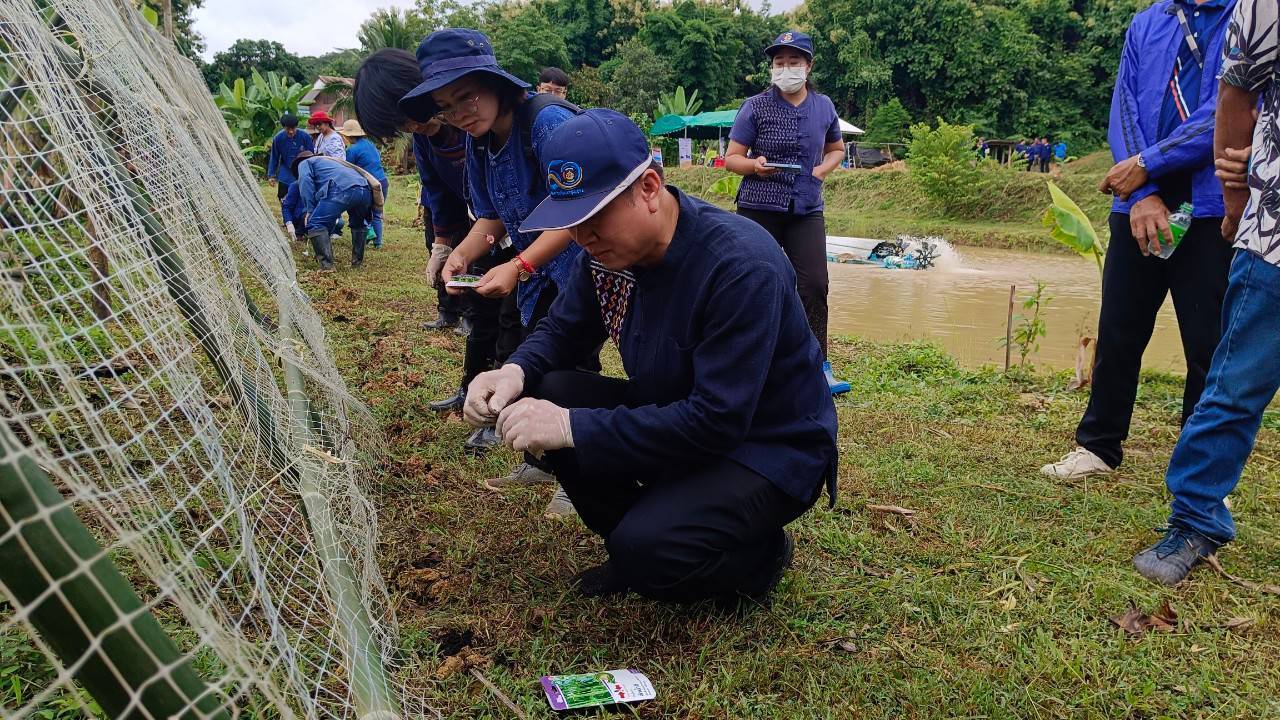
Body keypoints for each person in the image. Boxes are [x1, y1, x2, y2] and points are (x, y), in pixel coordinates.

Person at [463, 109, 839, 602]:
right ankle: (643, 537)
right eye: (571, 223)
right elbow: (562, 329)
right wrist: (514, 371)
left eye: (595, 218)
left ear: (648, 187)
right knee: (549, 386)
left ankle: (760, 555)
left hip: (764, 444)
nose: (583, 238)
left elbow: (718, 420)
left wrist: (571, 427)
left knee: (648, 547)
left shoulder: (740, 265)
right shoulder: (604, 256)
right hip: (677, 411)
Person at [398, 28, 598, 516]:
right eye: (447, 106)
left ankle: (579, 477)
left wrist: (520, 264)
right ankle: (547, 461)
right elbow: (492, 217)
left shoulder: (547, 123)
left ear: (493, 82)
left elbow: (582, 215)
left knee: (575, 368)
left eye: (467, 96)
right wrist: (462, 253)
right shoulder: (480, 141)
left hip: (586, 266)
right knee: (540, 360)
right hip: (539, 276)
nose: (460, 113)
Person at [1041, 0, 1236, 480]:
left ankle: (1201, 468)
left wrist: (1148, 163)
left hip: (1213, 205)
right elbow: (1124, 107)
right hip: (1138, 205)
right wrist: (1143, 189)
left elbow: (1229, 112)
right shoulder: (1149, 22)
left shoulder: (1250, 18)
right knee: (1120, 331)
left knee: (1207, 344)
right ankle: (1099, 447)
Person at [1131, 0, 1278, 585]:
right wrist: (1238, 200)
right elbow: (1235, 96)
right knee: (1236, 384)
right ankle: (1195, 518)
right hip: (1274, 235)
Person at [352, 47, 507, 437]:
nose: (410, 127)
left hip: (517, 232)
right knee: (481, 314)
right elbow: (438, 191)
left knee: (515, 320)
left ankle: (502, 407)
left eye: (408, 115)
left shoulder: (475, 122)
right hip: (482, 231)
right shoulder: (426, 141)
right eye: (399, 125)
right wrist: (443, 245)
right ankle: (470, 389)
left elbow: (506, 195)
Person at [725, 30, 850, 396]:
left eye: (794, 62)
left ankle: (818, 367)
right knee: (748, 282)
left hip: (806, 207)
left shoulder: (824, 106)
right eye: (779, 63)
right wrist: (754, 166)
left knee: (814, 284)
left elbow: (836, 148)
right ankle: (740, 362)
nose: (786, 69)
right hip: (759, 207)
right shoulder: (755, 106)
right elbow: (732, 158)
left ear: (808, 67)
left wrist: (822, 170)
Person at [292, 151, 375, 272]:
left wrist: (310, 210)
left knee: (315, 223)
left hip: (341, 189)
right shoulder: (330, 163)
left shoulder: (304, 163)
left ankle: (327, 266)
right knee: (359, 224)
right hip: (365, 189)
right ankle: (357, 263)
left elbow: (305, 181)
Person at [338, 119, 389, 249]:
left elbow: (349, 171)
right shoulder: (369, 144)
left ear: (347, 136)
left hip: (370, 184)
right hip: (383, 182)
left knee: (362, 212)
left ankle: (368, 233)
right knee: (377, 213)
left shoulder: (352, 150)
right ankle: (378, 243)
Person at [267, 113, 314, 205]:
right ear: (284, 127)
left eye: (293, 128)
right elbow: (274, 157)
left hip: (302, 170)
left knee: (302, 198)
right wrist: (271, 175)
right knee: (283, 197)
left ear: (296, 126)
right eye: (288, 129)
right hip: (286, 171)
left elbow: (311, 156)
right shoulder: (278, 138)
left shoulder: (305, 136)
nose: (291, 131)